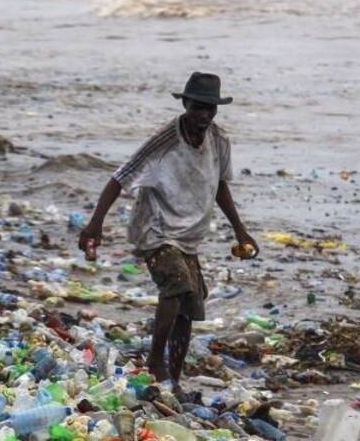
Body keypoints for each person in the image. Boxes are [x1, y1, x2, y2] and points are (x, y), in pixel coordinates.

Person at [79, 72, 258, 394]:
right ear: (186, 104)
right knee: (176, 286)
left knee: (190, 305)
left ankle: (173, 377)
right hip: (156, 228)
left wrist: (240, 229)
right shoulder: (166, 140)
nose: (204, 115)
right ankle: (154, 361)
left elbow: (219, 185)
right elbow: (120, 178)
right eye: (198, 107)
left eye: (210, 109)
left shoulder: (219, 141)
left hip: (189, 234)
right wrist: (96, 223)